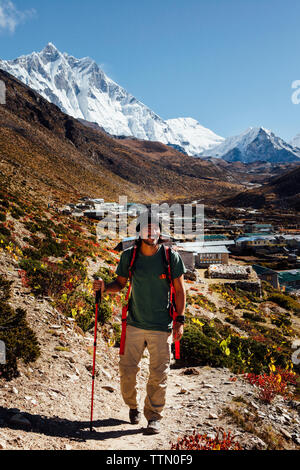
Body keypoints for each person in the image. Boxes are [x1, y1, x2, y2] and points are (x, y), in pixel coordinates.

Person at [93, 213, 186, 435]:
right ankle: (132, 407)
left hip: (162, 326)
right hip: (134, 323)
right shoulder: (129, 257)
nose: (151, 233)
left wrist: (179, 321)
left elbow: (181, 291)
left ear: (160, 233)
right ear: (140, 233)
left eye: (155, 229)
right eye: (147, 229)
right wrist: (104, 287)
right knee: (127, 372)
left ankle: (153, 417)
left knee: (159, 374)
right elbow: (120, 283)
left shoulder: (170, 257)